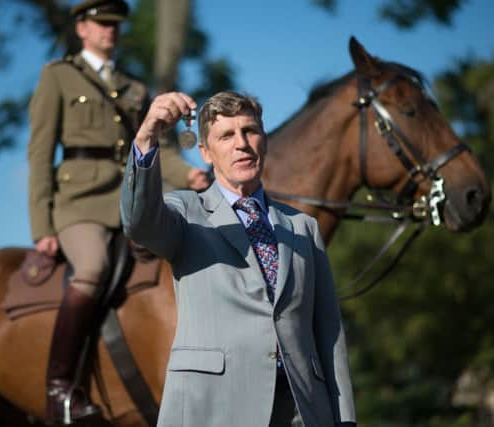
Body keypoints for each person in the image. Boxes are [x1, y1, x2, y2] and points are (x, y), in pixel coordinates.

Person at [120, 90, 357, 426]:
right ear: (205, 151)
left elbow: (329, 335)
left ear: (264, 139)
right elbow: (139, 221)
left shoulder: (304, 228)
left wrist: (344, 420)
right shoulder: (186, 212)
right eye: (226, 135)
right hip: (213, 408)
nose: (241, 143)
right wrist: (146, 138)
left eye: (250, 131)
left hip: (302, 412)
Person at [27, 0, 209, 422]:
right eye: (102, 22)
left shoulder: (134, 89)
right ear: (81, 28)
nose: (111, 30)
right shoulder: (58, 76)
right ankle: (59, 391)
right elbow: (40, 151)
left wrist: (191, 176)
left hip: (131, 201)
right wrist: (42, 225)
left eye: (116, 24)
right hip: (80, 205)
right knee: (92, 267)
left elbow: (157, 149)